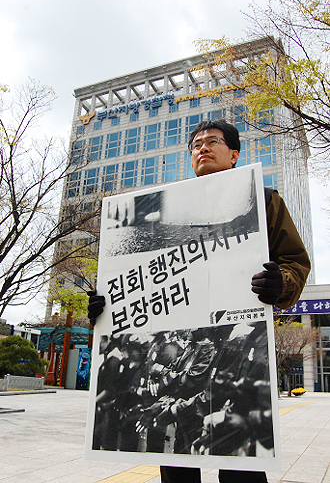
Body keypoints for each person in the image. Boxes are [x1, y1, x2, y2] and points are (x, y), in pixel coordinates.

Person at [88, 119, 311, 483]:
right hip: (179, 345)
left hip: (237, 342)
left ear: (234, 153)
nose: (202, 148)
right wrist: (105, 307)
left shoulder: (263, 199)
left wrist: (279, 283)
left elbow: (295, 263)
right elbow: (133, 276)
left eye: (212, 141)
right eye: (195, 145)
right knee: (175, 466)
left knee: (241, 468)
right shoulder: (159, 209)